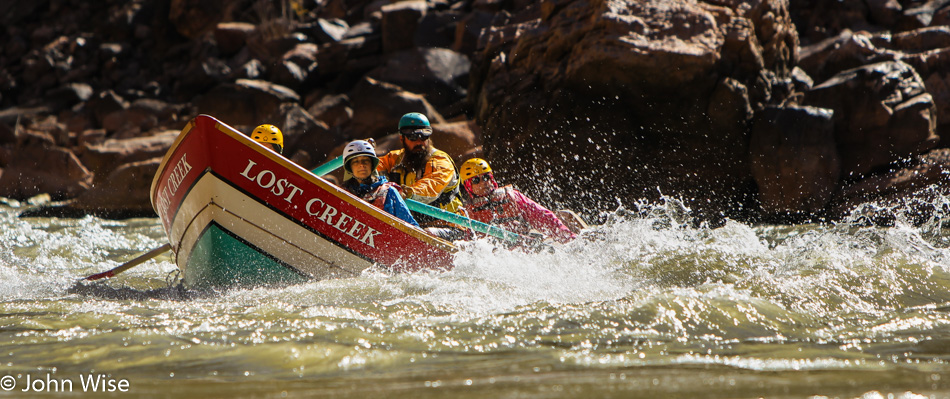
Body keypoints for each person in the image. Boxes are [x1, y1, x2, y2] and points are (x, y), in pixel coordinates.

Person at [377, 112, 466, 240]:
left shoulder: (441, 162)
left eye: (423, 137)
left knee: (425, 233)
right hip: (413, 226)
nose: (420, 142)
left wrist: (408, 193)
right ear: (402, 139)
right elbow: (370, 167)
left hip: (449, 226)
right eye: (413, 138)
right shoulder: (395, 159)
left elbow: (430, 187)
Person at [458, 158, 576, 243]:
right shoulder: (467, 210)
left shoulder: (511, 196)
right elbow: (468, 239)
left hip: (522, 244)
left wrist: (567, 238)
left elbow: (543, 216)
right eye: (476, 181)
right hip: (492, 252)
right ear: (468, 186)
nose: (483, 182)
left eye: (486, 177)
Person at [341, 139, 419, 227]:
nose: (361, 165)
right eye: (356, 161)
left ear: (372, 165)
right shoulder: (342, 194)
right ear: (349, 167)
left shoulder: (389, 192)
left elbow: (410, 224)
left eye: (365, 161)